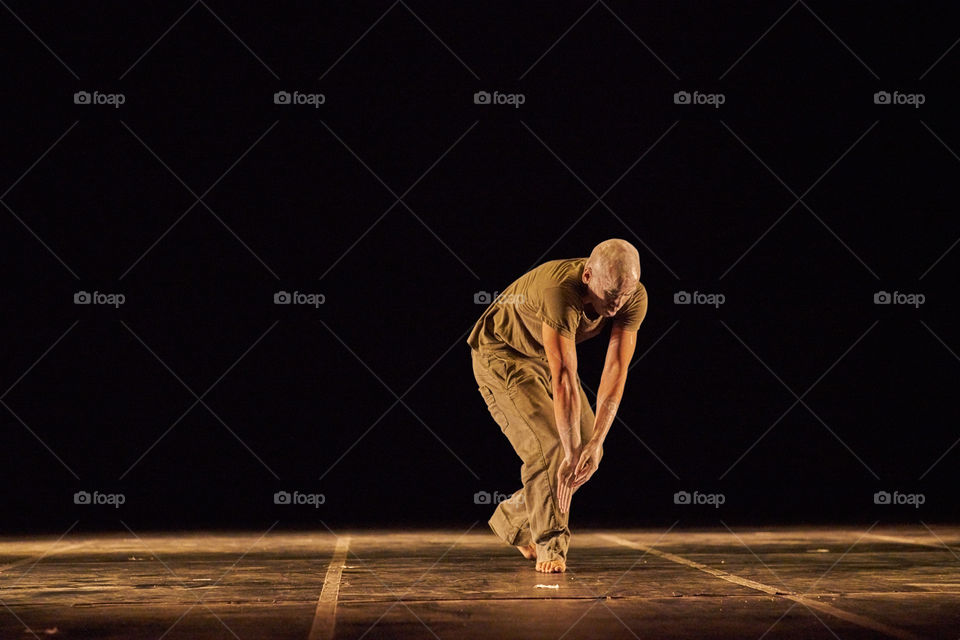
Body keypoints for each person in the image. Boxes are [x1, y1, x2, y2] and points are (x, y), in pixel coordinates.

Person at [467, 238, 648, 572]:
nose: (616, 304)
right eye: (610, 295)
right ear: (588, 277)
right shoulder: (559, 292)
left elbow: (616, 370)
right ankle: (550, 543)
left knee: (585, 455)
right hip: (502, 355)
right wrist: (567, 449)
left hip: (542, 355)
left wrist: (595, 442)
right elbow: (564, 377)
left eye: (624, 294)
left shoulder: (632, 297)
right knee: (553, 448)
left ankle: (513, 519)